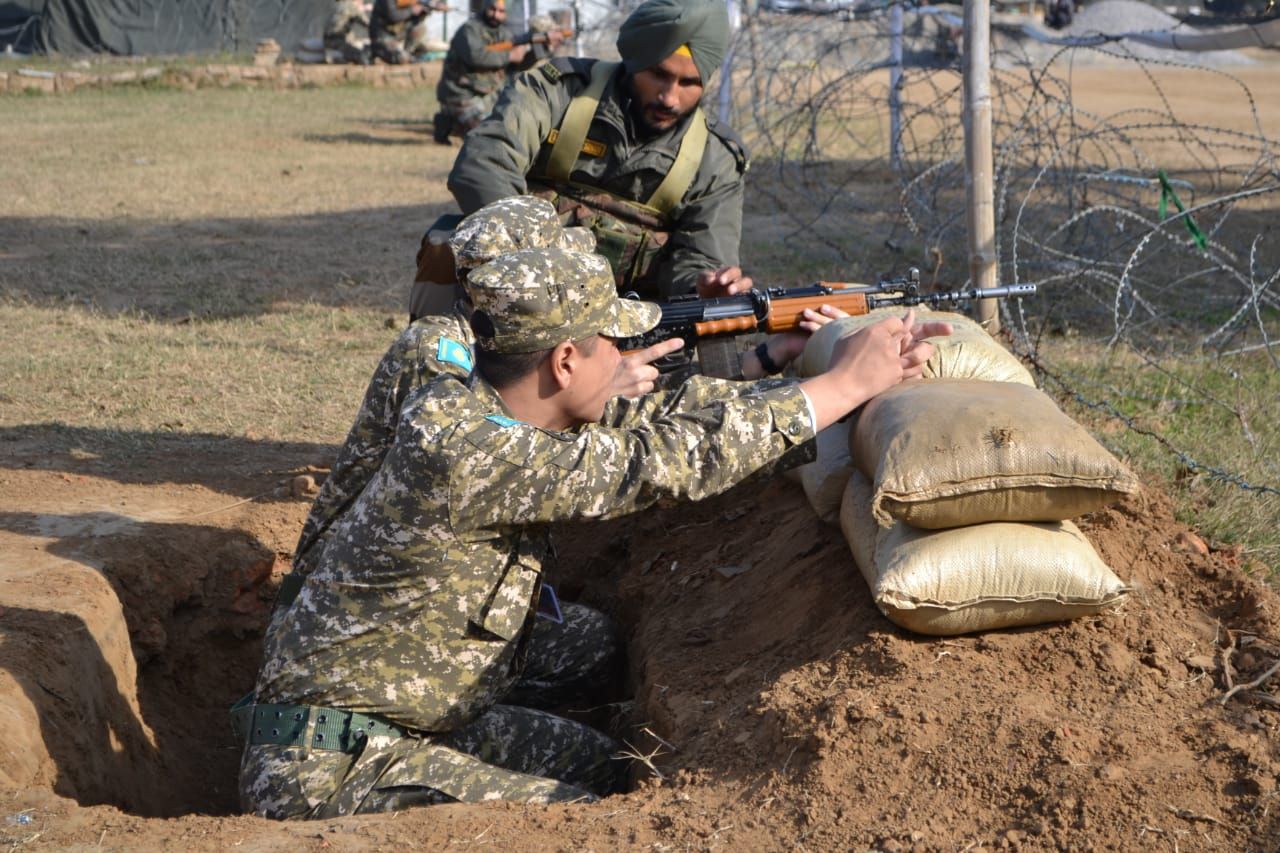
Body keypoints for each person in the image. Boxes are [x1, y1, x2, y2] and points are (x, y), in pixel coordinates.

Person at [238, 244, 949, 818]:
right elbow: (653, 463)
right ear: (564, 362)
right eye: (611, 339)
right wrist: (839, 390)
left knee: (608, 766)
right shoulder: (466, 448)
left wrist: (798, 377)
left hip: (415, 713)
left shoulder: (502, 402)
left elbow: (666, 417)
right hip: (329, 763)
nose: (627, 354)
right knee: (577, 819)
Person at [446, 0, 753, 302]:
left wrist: (700, 289)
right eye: (658, 74)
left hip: (632, 321)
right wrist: (539, 266)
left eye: (689, 82)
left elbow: (700, 258)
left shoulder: (715, 158)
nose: (669, 98)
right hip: (522, 298)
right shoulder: (557, 92)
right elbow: (483, 166)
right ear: (634, 62)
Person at [432, 0, 565, 144]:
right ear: (485, 7)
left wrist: (541, 49)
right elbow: (475, 57)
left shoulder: (504, 33)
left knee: (516, 122)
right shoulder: (469, 30)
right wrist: (510, 55)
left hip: (488, 94)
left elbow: (516, 65)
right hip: (461, 94)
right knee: (487, 135)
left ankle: (453, 121)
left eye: (501, 11)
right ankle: (449, 120)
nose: (496, 15)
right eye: (492, 9)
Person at [369, 0, 445, 65]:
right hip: (382, 36)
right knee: (400, 58)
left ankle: (409, 53)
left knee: (420, 28)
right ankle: (370, 50)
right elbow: (393, 16)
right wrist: (412, 10)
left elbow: (414, 17)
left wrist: (428, 8)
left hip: (396, 34)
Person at [323, 0, 371, 65]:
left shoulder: (338, 4)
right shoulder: (352, 7)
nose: (362, 2)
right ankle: (335, 57)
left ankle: (334, 55)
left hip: (327, 40)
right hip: (338, 41)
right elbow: (368, 24)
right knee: (362, 56)